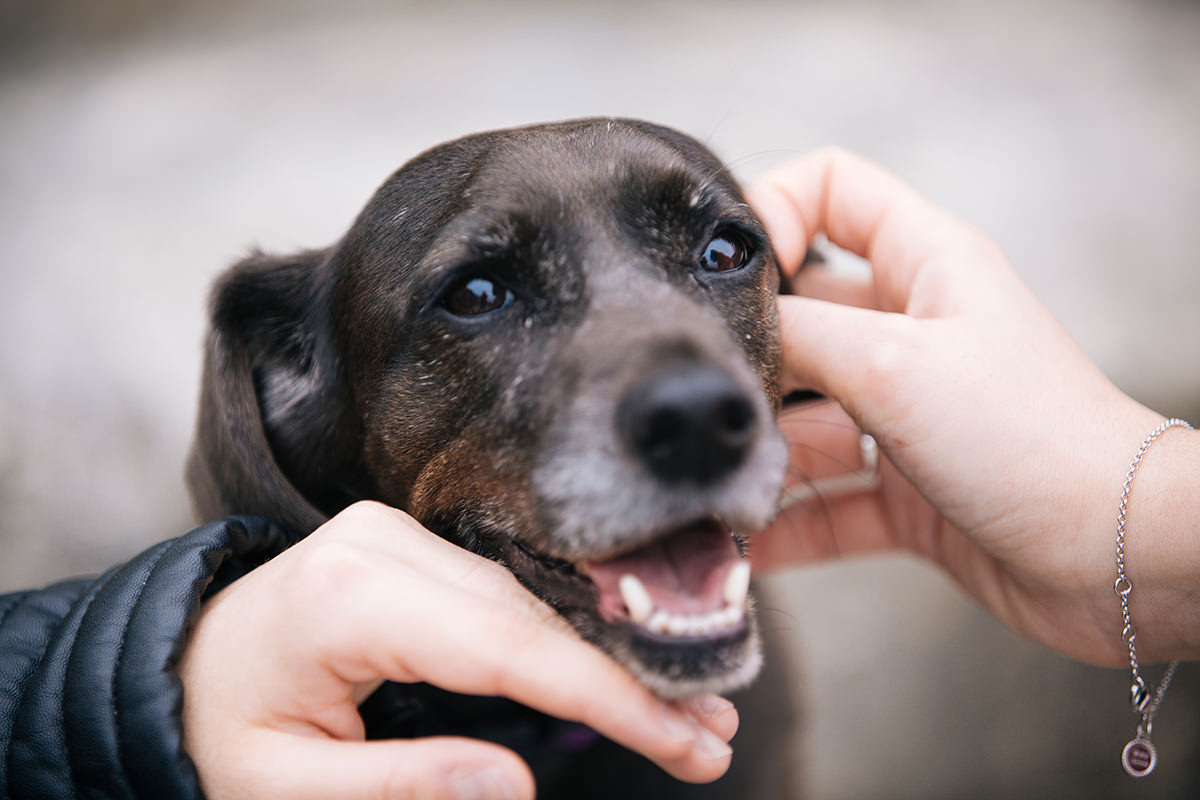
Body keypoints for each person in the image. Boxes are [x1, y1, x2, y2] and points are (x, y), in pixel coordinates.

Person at [1, 148, 1195, 799]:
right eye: (475, 292)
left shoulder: (743, 720)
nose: (692, 391)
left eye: (723, 254)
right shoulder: (248, 725)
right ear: (297, 399)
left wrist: (1127, 518)